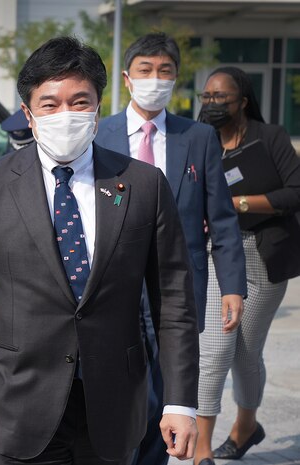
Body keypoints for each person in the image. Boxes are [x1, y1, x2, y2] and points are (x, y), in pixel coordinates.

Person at [0, 35, 200, 465]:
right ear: (29, 113)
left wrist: (182, 402)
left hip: (113, 405)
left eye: (79, 102)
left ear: (98, 106)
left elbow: (175, 303)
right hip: (14, 404)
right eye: (50, 104)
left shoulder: (144, 184)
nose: (65, 114)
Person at [94, 32, 247, 465]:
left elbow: (221, 216)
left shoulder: (197, 137)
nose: (155, 79)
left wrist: (233, 285)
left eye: (165, 72)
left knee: (170, 391)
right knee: (124, 383)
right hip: (116, 280)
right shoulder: (99, 133)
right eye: (146, 70)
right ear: (127, 78)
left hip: (179, 284)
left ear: (176, 80)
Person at [193, 66, 300, 465]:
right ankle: (202, 451)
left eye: (221, 97)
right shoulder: (200, 140)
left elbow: (295, 191)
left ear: (242, 100)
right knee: (215, 350)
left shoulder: (268, 137)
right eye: (207, 97)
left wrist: (238, 202)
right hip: (218, 253)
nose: (213, 104)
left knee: (244, 353)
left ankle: (245, 427)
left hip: (264, 255)